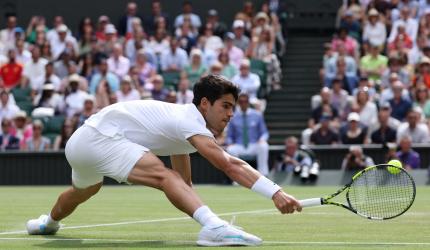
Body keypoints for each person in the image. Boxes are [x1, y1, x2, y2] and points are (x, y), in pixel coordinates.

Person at [25, 75, 301, 246]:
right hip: (100, 137)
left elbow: (184, 186)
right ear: (205, 103)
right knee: (164, 175)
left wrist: (198, 208)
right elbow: (229, 164)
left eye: (232, 107)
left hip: (82, 144)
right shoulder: (188, 121)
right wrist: (275, 192)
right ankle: (215, 229)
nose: (230, 114)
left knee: (83, 190)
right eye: (225, 106)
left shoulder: (180, 126)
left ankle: (46, 224)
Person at [225, 93, 270, 176]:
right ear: (238, 103)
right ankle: (237, 176)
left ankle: (263, 175)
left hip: (254, 145)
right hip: (239, 145)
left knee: (264, 146)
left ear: (248, 102)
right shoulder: (233, 117)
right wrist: (230, 142)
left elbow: (264, 132)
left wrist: (262, 139)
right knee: (231, 149)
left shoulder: (257, 115)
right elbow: (229, 136)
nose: (243, 103)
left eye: (245, 101)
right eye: (241, 102)